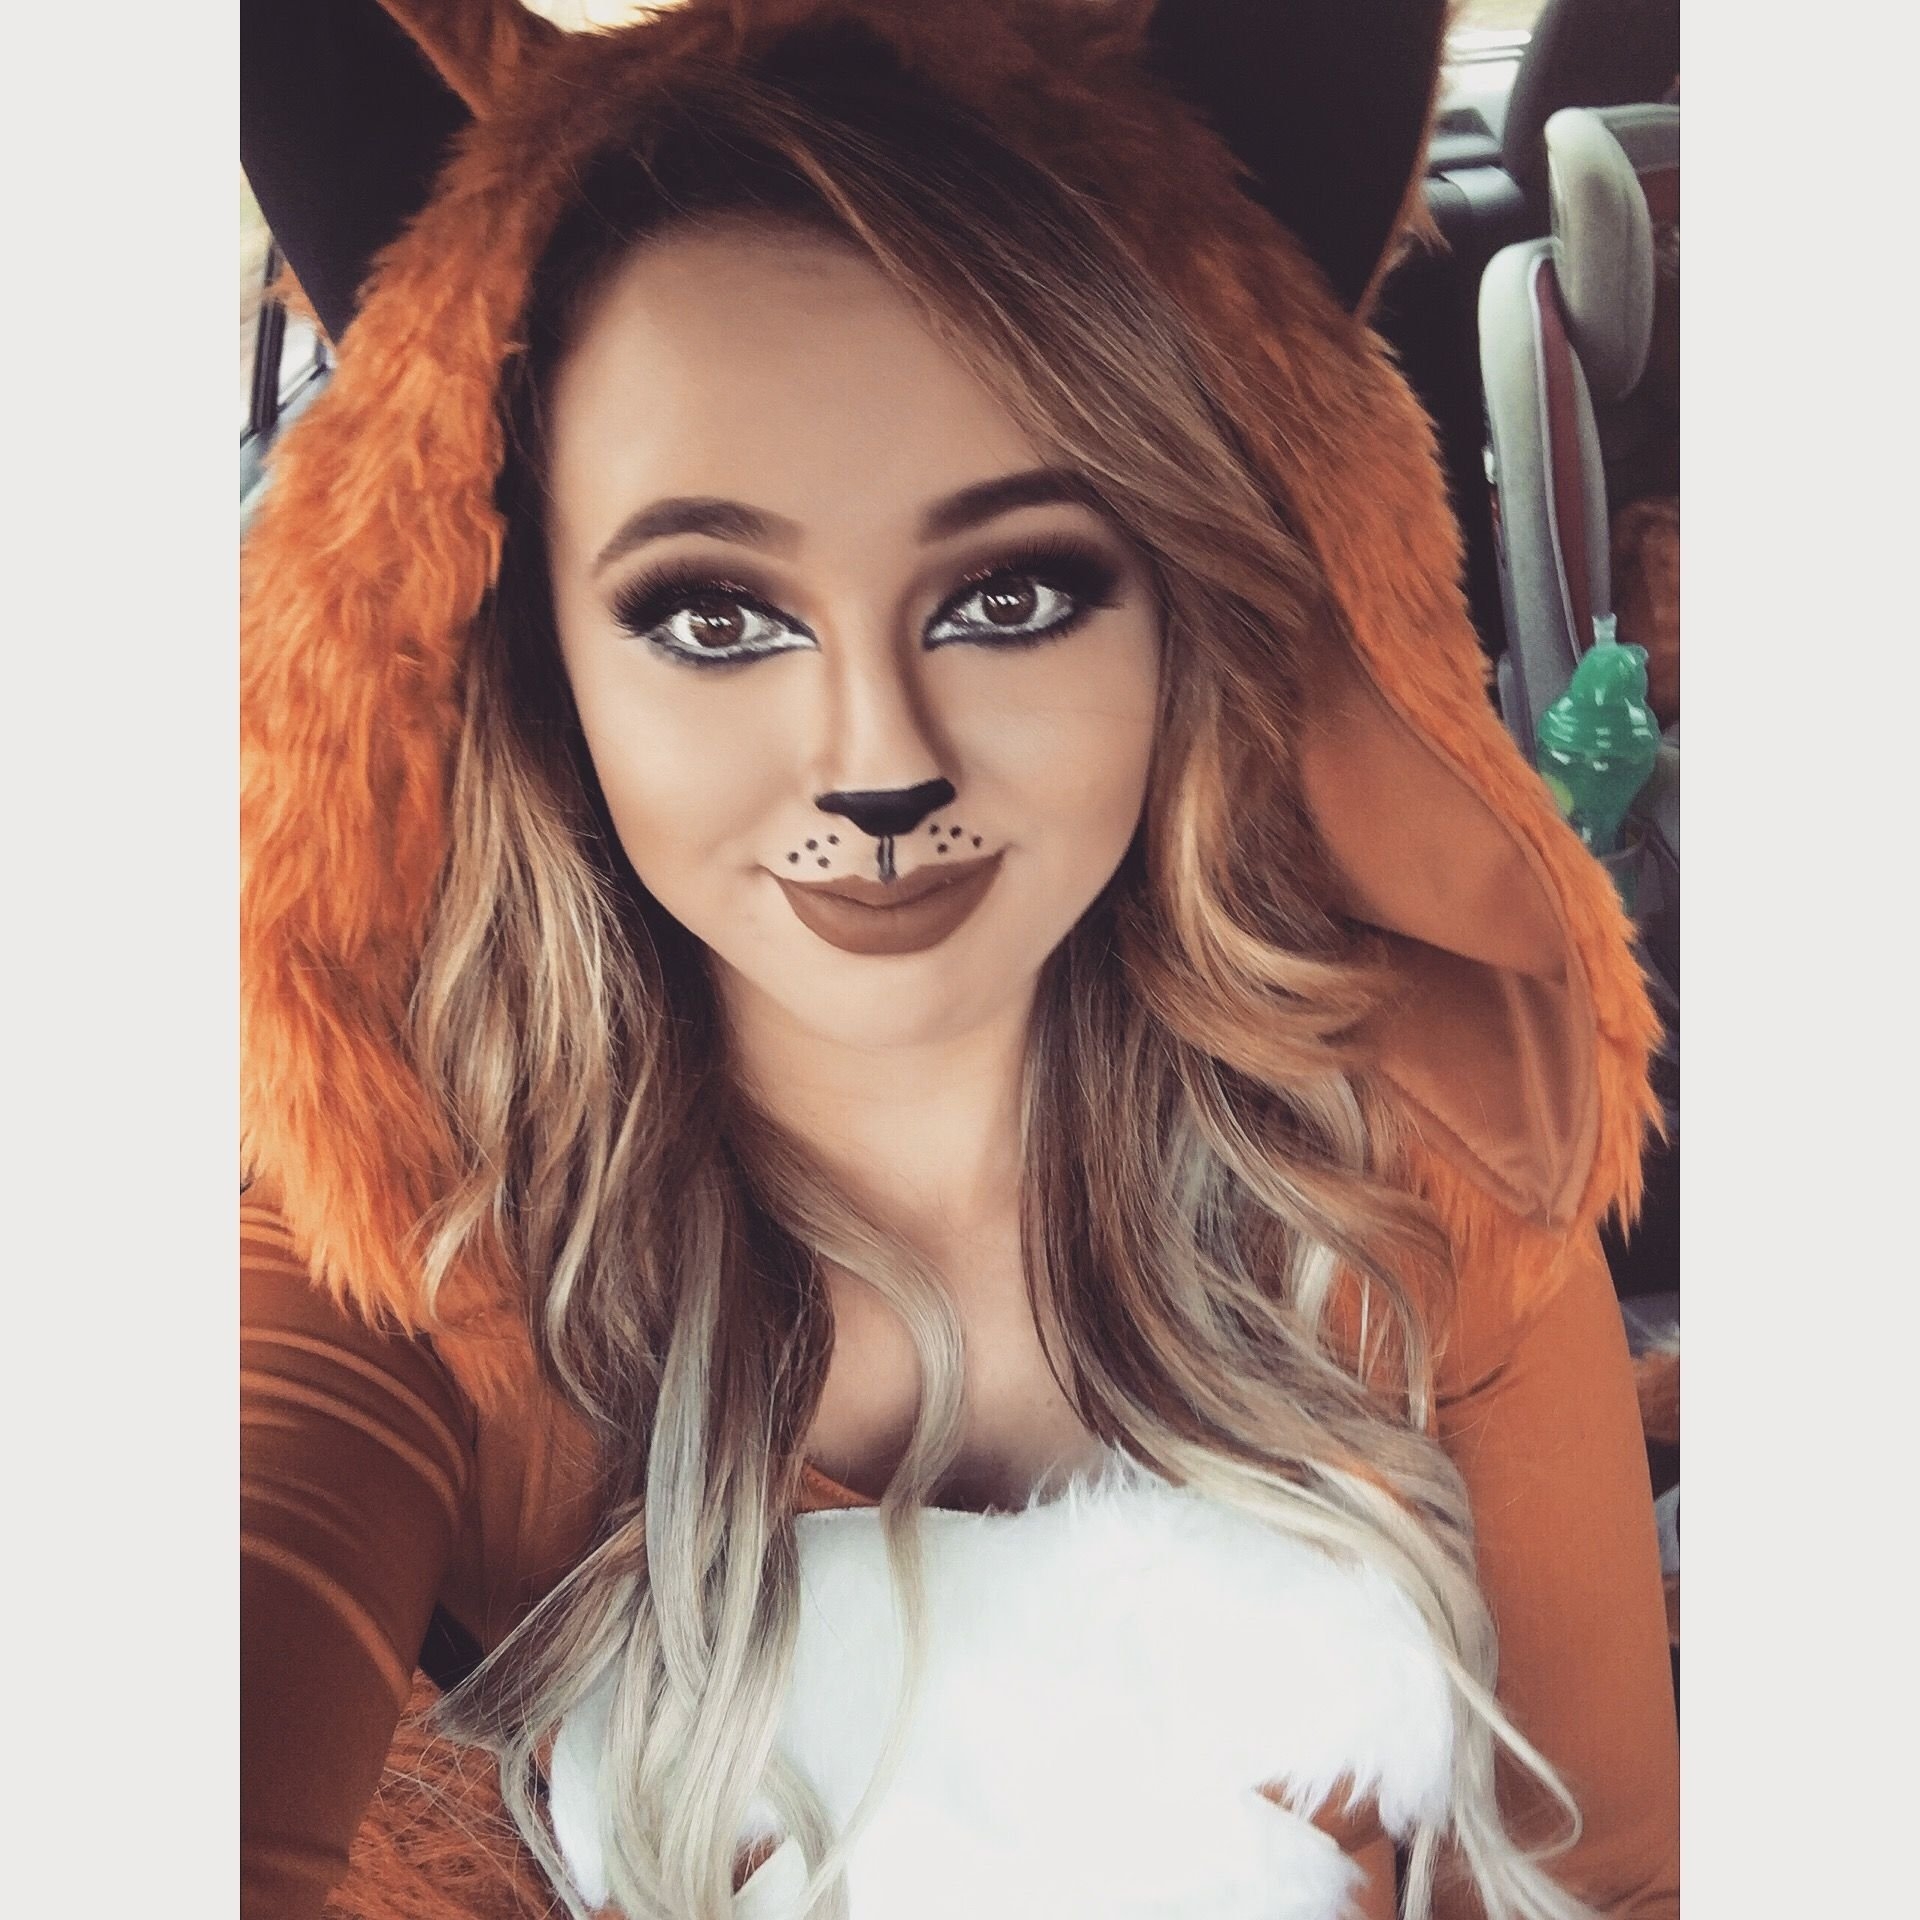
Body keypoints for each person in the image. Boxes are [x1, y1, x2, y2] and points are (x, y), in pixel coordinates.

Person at [240, 3, 1680, 1917]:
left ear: (1180, 610)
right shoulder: (402, 1236)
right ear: (538, 663)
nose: (879, 760)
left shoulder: (1431, 1139)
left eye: (1011, 593)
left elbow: (1615, 1877)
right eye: (714, 615)